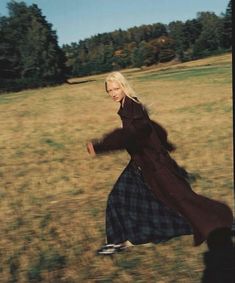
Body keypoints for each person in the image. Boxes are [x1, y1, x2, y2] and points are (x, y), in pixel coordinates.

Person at [87, 71, 233, 255]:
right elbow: (154, 128)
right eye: (110, 90)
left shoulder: (134, 108)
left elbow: (131, 134)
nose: (113, 93)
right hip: (140, 164)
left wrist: (101, 145)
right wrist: (165, 142)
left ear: (124, 87)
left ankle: (223, 222)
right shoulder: (127, 107)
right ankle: (117, 242)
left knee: (182, 199)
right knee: (119, 197)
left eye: (116, 88)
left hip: (155, 165)